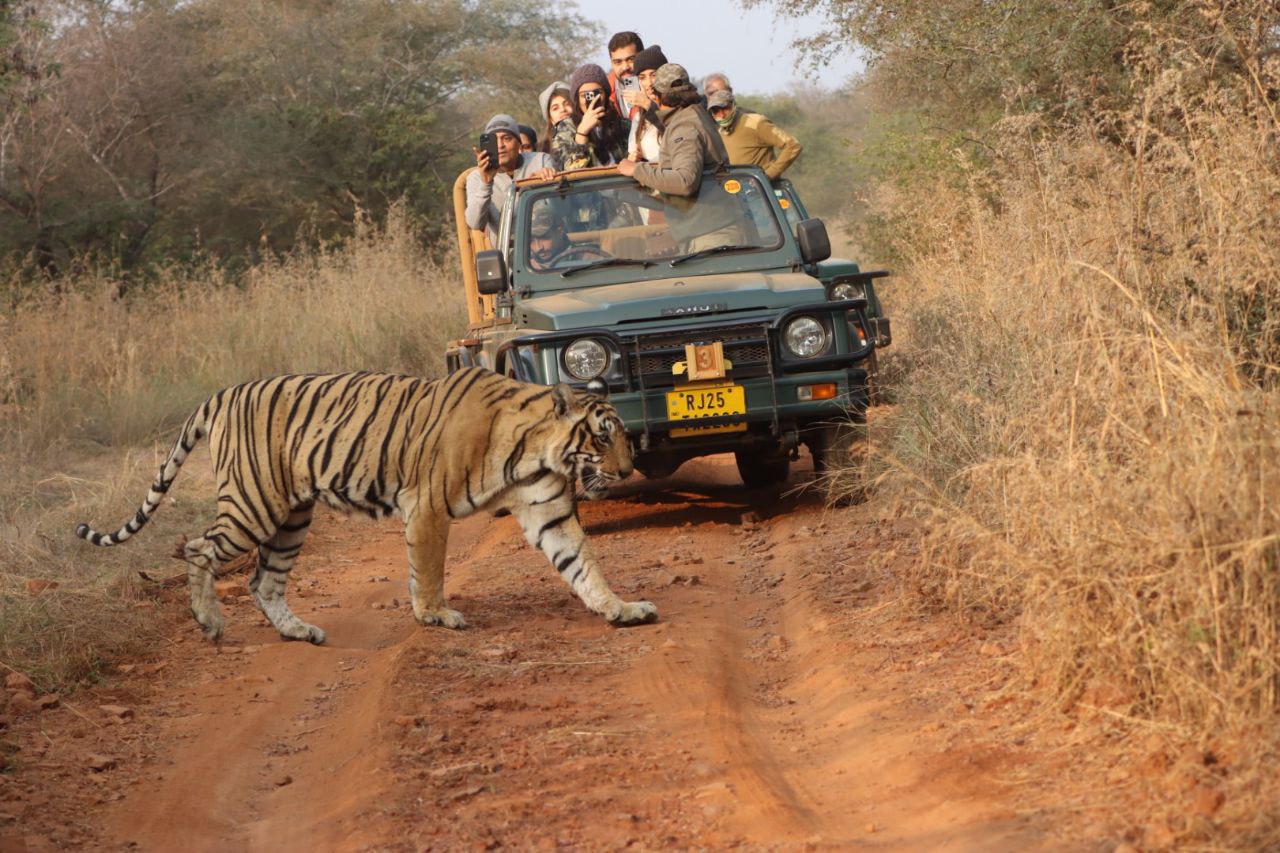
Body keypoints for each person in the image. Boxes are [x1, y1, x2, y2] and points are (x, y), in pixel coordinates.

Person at [618, 64, 740, 250]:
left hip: (710, 235)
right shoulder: (696, 114)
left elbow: (684, 181)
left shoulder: (683, 125)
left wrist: (636, 170)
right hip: (711, 228)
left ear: (658, 95)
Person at [465, 114, 556, 245]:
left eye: (507, 139)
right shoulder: (476, 177)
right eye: (494, 141)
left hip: (548, 244)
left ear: (519, 143)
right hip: (509, 255)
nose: (500, 145)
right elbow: (475, 223)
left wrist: (541, 184)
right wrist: (486, 183)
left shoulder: (541, 161)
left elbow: (557, 209)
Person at [708, 89, 803, 180]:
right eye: (716, 111)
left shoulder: (755, 123)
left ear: (734, 105)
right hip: (736, 190)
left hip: (760, 191)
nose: (722, 115)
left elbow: (793, 145)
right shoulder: (719, 132)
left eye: (725, 108)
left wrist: (767, 176)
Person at [551, 64, 631, 172]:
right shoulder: (566, 128)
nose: (593, 99)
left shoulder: (624, 126)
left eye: (597, 93)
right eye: (585, 95)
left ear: (606, 95)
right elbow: (566, 171)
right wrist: (582, 133)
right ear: (577, 99)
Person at [626, 44, 668, 163]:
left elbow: (674, 135)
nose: (648, 83)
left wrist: (648, 105)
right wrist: (634, 159)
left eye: (654, 75)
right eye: (642, 77)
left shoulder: (679, 109)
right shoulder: (638, 117)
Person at [606, 31, 644, 118]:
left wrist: (648, 105)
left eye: (631, 59)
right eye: (618, 62)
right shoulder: (604, 95)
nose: (625, 67)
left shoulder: (660, 90)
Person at [537, 81, 572, 156]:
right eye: (555, 108)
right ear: (550, 118)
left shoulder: (593, 133)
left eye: (567, 104)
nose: (563, 110)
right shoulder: (543, 151)